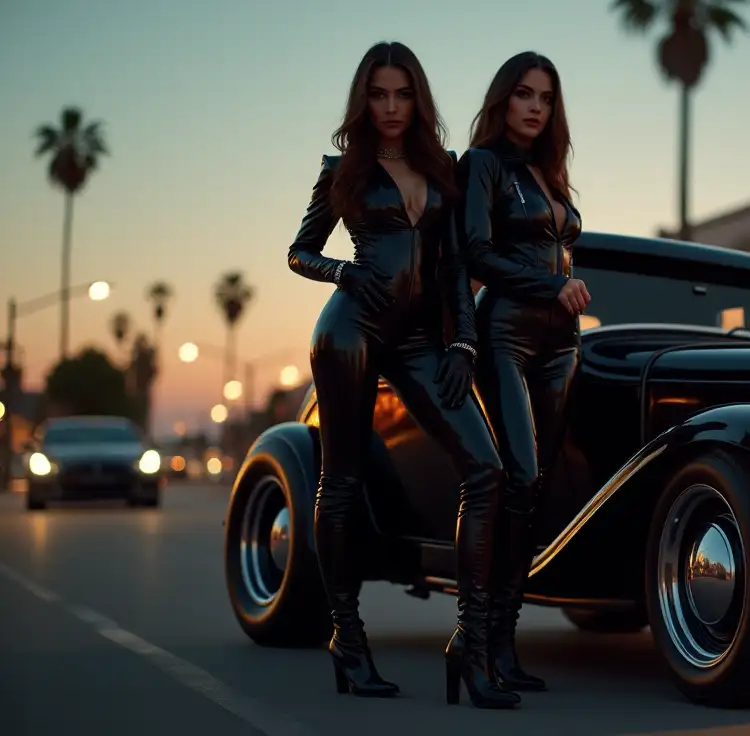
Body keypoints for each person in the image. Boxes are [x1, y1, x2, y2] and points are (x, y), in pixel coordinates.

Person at [287, 41, 518, 709]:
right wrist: (345, 272)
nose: (390, 108)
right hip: (350, 330)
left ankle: (471, 651)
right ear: (365, 101)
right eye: (378, 95)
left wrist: (465, 346)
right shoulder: (343, 169)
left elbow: (453, 268)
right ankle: (348, 639)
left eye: (402, 94)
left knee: (486, 469)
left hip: (422, 338)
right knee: (342, 483)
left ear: (418, 99)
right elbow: (300, 250)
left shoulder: (443, 169)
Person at [456, 50, 585, 694]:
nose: (536, 106)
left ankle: (501, 647)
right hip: (504, 330)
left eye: (546, 97)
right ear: (503, 99)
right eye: (525, 94)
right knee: (517, 477)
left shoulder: (550, 174)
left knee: (535, 495)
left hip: (563, 343)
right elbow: (474, 250)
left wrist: (569, 281)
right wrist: (546, 282)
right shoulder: (482, 165)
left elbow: (559, 249)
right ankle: (474, 640)